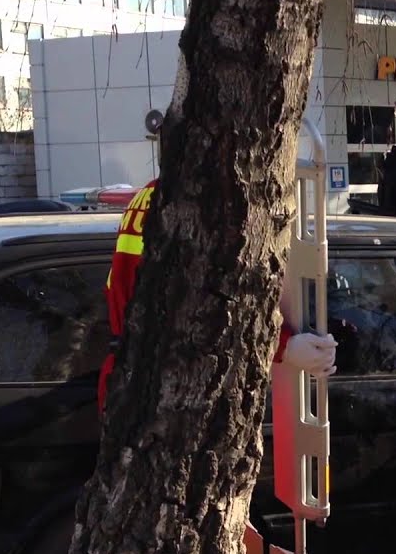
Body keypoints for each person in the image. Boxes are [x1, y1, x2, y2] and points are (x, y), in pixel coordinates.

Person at [98, 178, 337, 415]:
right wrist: (284, 345)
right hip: (172, 388)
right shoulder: (207, 201)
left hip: (129, 378)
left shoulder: (151, 194)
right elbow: (211, 305)